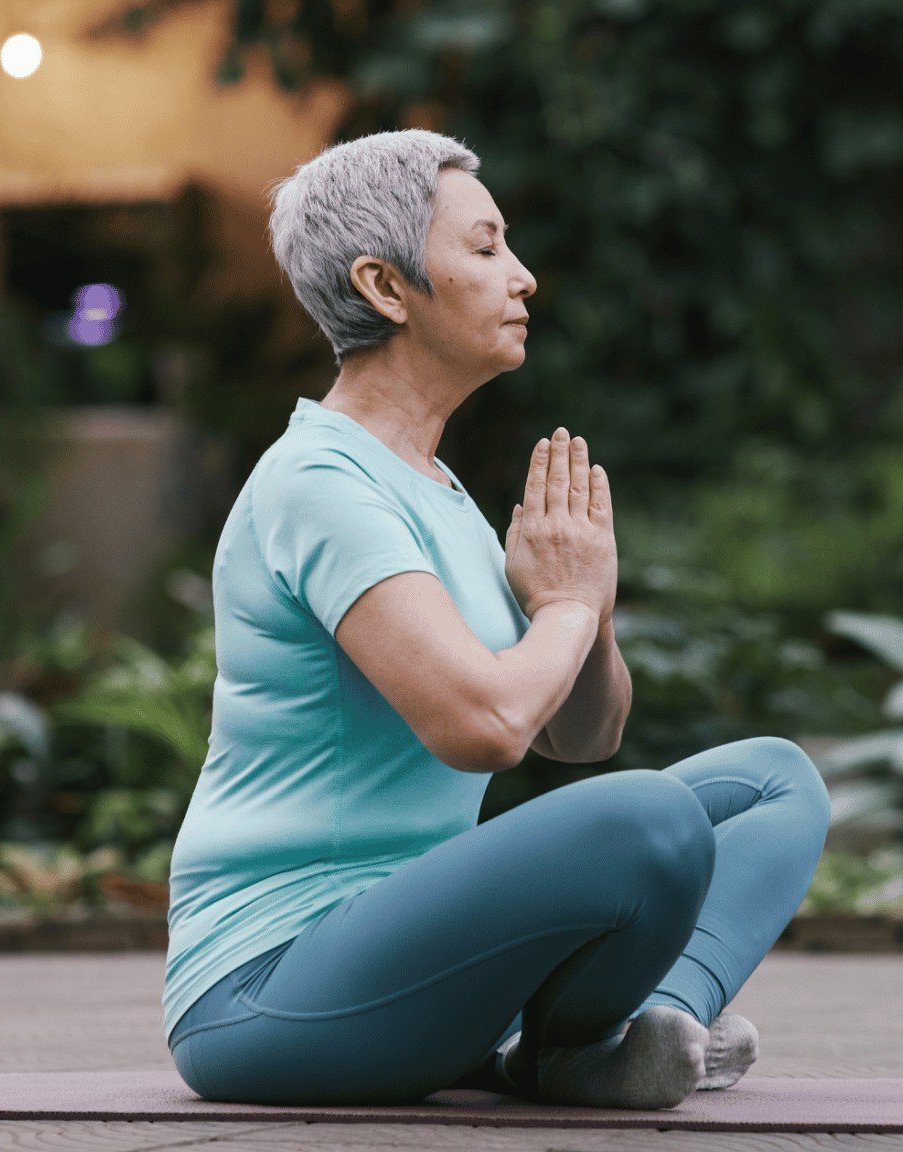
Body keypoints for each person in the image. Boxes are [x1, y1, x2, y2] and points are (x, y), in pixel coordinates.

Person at [163, 128, 832, 1110]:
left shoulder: (433, 489)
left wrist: (587, 607)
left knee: (774, 782)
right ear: (386, 288)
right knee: (648, 818)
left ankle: (626, 1037)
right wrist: (559, 603)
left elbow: (579, 735)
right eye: (483, 249)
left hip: (413, 968)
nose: (521, 278)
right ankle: (566, 1047)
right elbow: (481, 728)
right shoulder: (318, 483)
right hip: (269, 990)